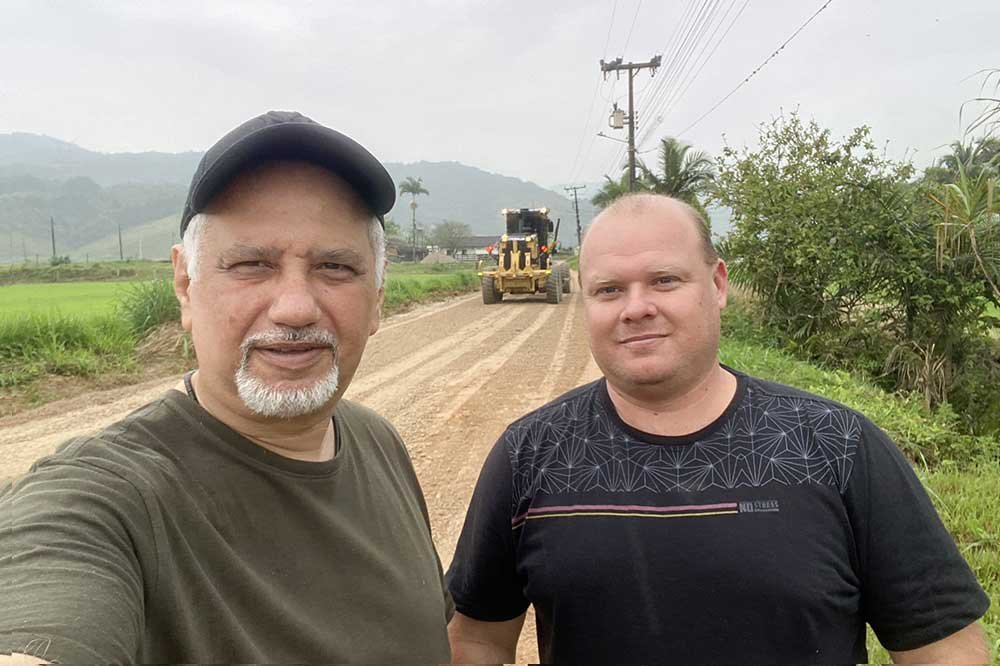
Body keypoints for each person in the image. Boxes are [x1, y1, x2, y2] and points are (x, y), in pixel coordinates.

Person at [446, 193, 990, 664]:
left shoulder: (836, 445)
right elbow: (476, 642)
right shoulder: (530, 454)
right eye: (609, 290)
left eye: (664, 280)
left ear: (718, 284)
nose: (636, 308)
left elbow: (943, 647)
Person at [0, 111, 452, 663]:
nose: (295, 308)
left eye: (335, 267)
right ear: (185, 285)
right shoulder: (103, 503)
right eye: (251, 264)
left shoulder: (377, 442)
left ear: (377, 298)